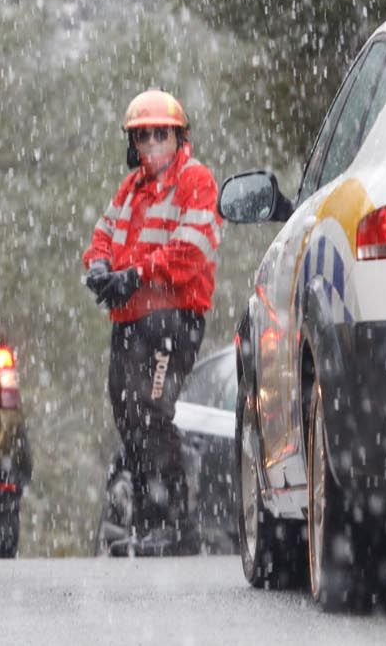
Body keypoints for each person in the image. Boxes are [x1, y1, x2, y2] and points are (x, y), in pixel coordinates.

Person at [81, 88, 219, 556]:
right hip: (130, 319)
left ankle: (176, 524)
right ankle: (147, 521)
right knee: (128, 415)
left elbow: (191, 251)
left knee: (153, 411)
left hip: (172, 320)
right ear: (133, 143)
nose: (152, 144)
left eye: (161, 134)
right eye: (143, 136)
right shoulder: (131, 189)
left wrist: (136, 274)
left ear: (179, 137)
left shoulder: (196, 181)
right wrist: (99, 267)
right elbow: (102, 235)